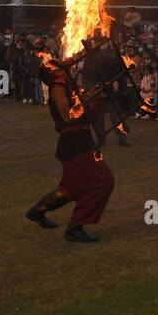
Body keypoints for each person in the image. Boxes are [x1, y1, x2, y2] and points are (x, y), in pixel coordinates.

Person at [25, 58, 114, 242]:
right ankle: (75, 227)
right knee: (103, 181)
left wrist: (95, 100)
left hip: (79, 139)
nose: (60, 63)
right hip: (75, 142)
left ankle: (37, 211)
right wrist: (87, 100)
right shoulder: (58, 85)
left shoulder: (68, 84)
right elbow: (68, 116)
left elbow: (86, 118)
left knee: (70, 188)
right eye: (55, 64)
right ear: (53, 72)